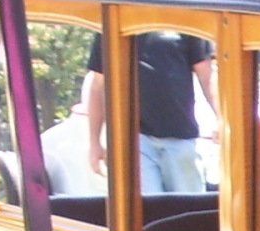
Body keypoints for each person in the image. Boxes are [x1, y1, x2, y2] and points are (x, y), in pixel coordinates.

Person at [85, 29, 217, 194]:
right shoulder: (115, 21)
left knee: (189, 210)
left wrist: (223, 120)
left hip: (181, 139)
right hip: (136, 141)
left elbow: (207, 77)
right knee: (148, 212)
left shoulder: (185, 18)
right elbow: (98, 85)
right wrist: (95, 142)